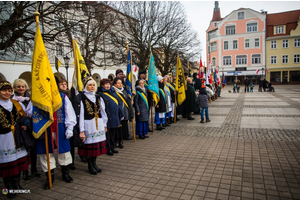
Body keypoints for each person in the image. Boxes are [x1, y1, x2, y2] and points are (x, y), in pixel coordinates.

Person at [36, 78, 76, 189]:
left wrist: (69, 128)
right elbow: (31, 112)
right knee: (46, 154)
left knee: (64, 152)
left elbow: (69, 113)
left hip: (60, 127)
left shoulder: (63, 97)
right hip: (45, 129)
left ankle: (65, 173)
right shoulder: (38, 97)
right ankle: (50, 177)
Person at [0, 81, 31, 199]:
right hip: (3, 138)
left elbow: (24, 117)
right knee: (6, 163)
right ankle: (7, 187)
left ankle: (17, 184)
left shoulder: (16, 104)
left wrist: (25, 124)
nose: (7, 93)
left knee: (17, 162)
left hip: (17, 137)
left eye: (9, 91)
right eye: (4, 90)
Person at [76, 77, 108, 175]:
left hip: (98, 124)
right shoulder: (82, 97)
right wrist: (81, 130)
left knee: (96, 146)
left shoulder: (98, 97)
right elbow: (81, 115)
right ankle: (90, 165)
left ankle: (94, 164)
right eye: (90, 85)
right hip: (88, 125)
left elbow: (103, 112)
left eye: (94, 85)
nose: (92, 87)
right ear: (86, 86)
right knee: (90, 147)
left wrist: (105, 124)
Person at [12, 79, 40, 180]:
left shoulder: (30, 98)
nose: (21, 88)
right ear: (14, 88)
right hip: (19, 129)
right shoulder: (12, 100)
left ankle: (34, 168)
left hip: (31, 126)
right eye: (18, 86)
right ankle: (25, 171)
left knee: (32, 148)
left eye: (23, 86)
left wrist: (28, 124)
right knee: (23, 150)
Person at [97, 78, 124, 156]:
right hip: (108, 116)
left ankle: (112, 147)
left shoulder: (113, 92)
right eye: (106, 84)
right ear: (102, 85)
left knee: (113, 132)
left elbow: (119, 103)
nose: (107, 85)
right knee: (108, 134)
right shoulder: (100, 94)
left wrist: (121, 114)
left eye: (108, 84)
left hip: (115, 115)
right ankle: (108, 148)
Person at [112, 77, 134, 146]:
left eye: (121, 83)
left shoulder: (124, 91)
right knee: (117, 127)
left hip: (125, 111)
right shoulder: (113, 91)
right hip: (117, 113)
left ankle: (122, 139)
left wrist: (131, 112)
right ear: (115, 84)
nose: (120, 84)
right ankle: (116, 141)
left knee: (124, 125)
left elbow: (128, 102)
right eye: (118, 83)